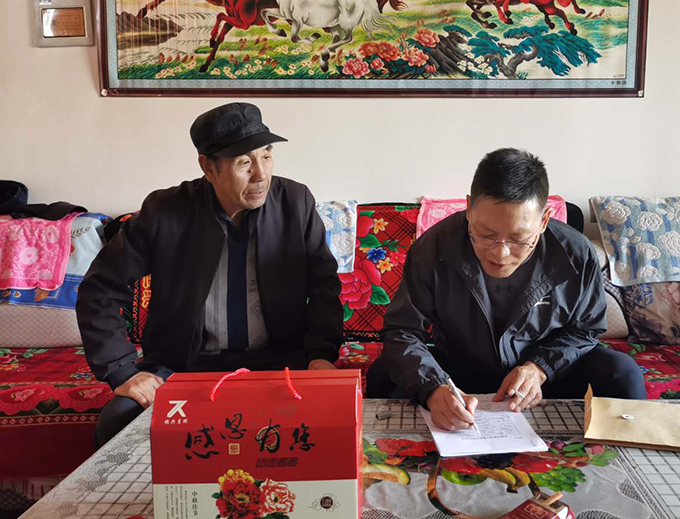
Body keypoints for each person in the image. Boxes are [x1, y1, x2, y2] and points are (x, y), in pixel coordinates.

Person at [77, 102, 342, 446]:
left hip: (280, 363)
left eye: (266, 156)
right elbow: (100, 289)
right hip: (183, 367)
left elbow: (323, 285)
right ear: (208, 167)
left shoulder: (295, 202)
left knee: (332, 421)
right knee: (118, 422)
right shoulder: (165, 211)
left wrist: (321, 355)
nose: (261, 175)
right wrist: (122, 371)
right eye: (244, 163)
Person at [368, 148, 645, 431]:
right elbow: (402, 330)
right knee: (383, 373)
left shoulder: (575, 253)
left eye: (518, 239)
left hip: (543, 375)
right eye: (486, 235)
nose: (500, 253)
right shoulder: (433, 248)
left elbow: (585, 330)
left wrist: (539, 369)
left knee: (622, 373)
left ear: (544, 221)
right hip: (458, 371)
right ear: (469, 210)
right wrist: (433, 387)